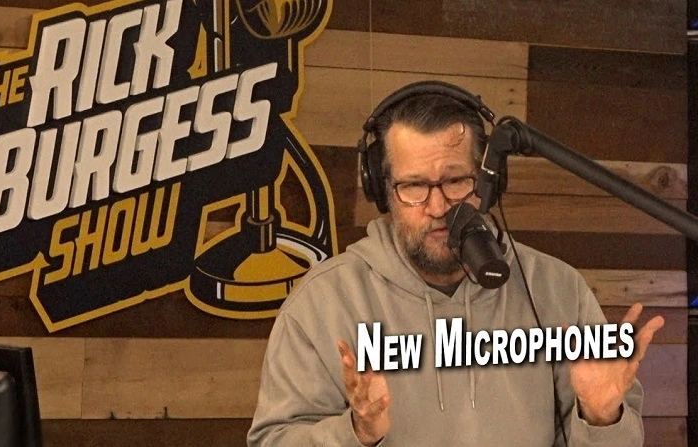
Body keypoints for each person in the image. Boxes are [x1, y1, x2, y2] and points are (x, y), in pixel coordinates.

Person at [246, 82, 665, 446]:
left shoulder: (558, 291)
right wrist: (356, 432)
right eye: (413, 186)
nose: (437, 206)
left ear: (490, 182)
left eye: (456, 181)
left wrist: (601, 418)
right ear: (382, 191)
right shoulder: (322, 303)